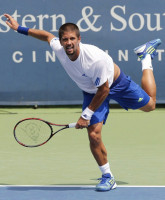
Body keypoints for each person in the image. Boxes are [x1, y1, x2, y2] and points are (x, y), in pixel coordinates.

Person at [4, 13, 161, 191]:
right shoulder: (59, 48)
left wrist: (86, 115)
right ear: (61, 41)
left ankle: (145, 57)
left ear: (79, 39)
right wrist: (19, 29)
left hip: (115, 84)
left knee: (150, 106)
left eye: (72, 39)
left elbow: (104, 90)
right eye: (65, 39)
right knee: (93, 134)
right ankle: (108, 177)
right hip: (91, 91)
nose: (68, 43)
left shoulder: (95, 59)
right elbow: (47, 36)